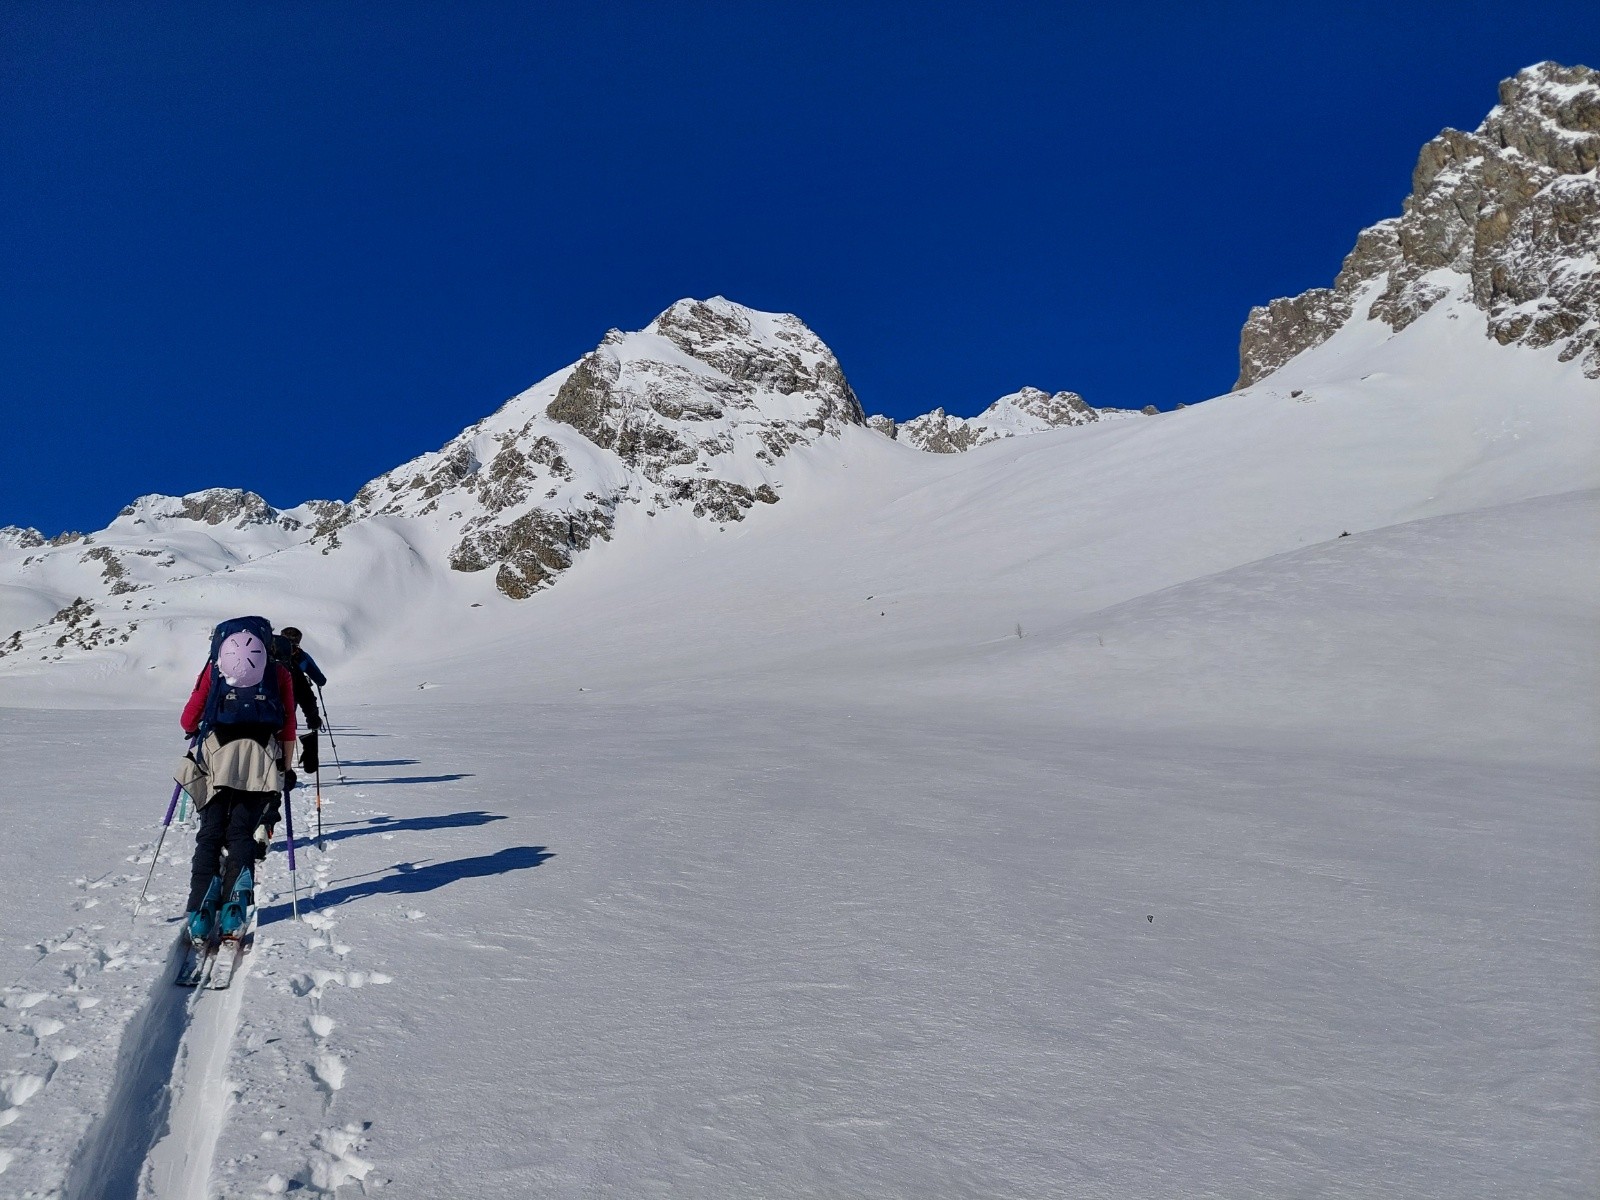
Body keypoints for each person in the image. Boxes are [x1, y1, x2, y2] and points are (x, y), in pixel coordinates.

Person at [180, 617, 296, 937]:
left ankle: (201, 912)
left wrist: (194, 727)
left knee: (211, 833)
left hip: (215, 759)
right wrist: (285, 768)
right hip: (260, 761)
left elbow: (188, 717)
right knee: (241, 833)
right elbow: (287, 726)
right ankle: (235, 909)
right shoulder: (279, 672)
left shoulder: (214, 668)